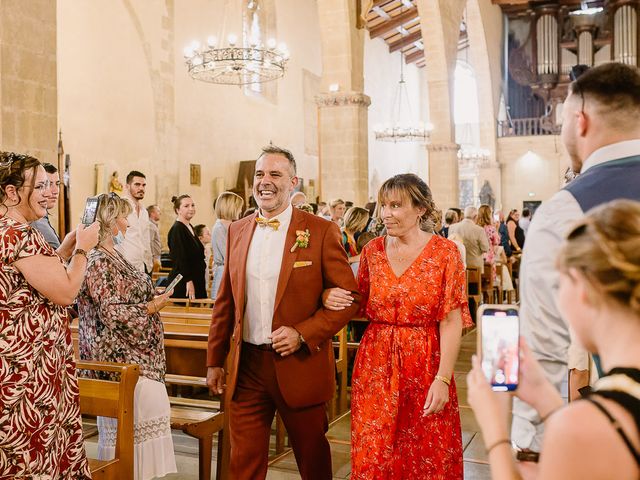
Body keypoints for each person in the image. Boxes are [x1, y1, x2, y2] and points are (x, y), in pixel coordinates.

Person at [206, 145, 359, 480]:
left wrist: (303, 332)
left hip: (299, 364)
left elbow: (350, 298)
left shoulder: (320, 230)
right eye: (260, 174)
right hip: (247, 366)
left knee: (312, 461)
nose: (265, 181)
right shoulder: (237, 230)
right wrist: (215, 360)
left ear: (293, 182)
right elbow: (225, 302)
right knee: (243, 463)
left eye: (275, 174)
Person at [512, 62, 640, 462]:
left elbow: (546, 345)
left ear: (579, 121)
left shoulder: (564, 210)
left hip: (618, 428)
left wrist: (531, 445)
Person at [468, 199, 640, 480]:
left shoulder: (589, 424)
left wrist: (495, 429)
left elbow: (586, 435)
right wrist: (548, 401)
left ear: (583, 290)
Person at [349, 174, 472, 478]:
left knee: (426, 452)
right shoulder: (372, 252)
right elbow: (358, 306)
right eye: (383, 205)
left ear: (420, 209)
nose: (385, 213)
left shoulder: (445, 253)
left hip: (426, 363)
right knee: (375, 452)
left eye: (395, 205)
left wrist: (443, 379)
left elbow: (452, 319)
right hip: (376, 364)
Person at [0, 152, 99, 478]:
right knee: (32, 458)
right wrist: (84, 247)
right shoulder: (20, 233)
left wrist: (64, 251)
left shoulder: (6, 230)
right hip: (29, 373)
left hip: (14, 363)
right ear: (12, 193)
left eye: (50, 184)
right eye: (39, 185)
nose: (48, 192)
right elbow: (66, 292)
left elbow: (27, 282)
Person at [77, 193, 177, 479]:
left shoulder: (112, 255)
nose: (127, 225)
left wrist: (148, 296)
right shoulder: (98, 260)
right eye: (123, 217)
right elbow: (112, 313)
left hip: (137, 358)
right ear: (109, 222)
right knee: (130, 441)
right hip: (123, 362)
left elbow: (122, 298)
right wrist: (151, 306)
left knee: (141, 435)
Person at [167, 194, 207, 299]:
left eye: (193, 205)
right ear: (178, 210)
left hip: (195, 279)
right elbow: (180, 258)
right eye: (186, 206)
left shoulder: (189, 226)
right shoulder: (177, 229)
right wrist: (188, 281)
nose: (191, 208)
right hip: (184, 283)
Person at [116, 171, 153, 274]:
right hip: (125, 265)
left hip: (143, 265)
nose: (141, 188)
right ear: (127, 186)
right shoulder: (120, 206)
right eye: (137, 184)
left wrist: (149, 264)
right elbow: (114, 236)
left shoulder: (144, 211)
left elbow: (145, 239)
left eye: (143, 185)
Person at [210, 191, 244, 300]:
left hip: (233, 271)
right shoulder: (219, 227)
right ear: (231, 207)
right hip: (224, 273)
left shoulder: (231, 225)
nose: (240, 210)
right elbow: (228, 254)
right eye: (239, 207)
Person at [31, 162, 62, 248]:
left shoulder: (42, 216)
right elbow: (56, 258)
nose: (55, 191)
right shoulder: (36, 220)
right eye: (48, 184)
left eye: (57, 184)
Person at [449, 205, 490, 271]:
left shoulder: (452, 227)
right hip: (475, 268)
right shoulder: (479, 230)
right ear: (475, 216)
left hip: (457, 267)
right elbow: (485, 248)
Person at [147, 204, 162, 271]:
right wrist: (154, 259)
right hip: (153, 259)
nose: (160, 213)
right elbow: (149, 243)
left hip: (156, 258)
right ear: (152, 213)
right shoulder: (151, 226)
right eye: (158, 211)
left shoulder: (153, 225)